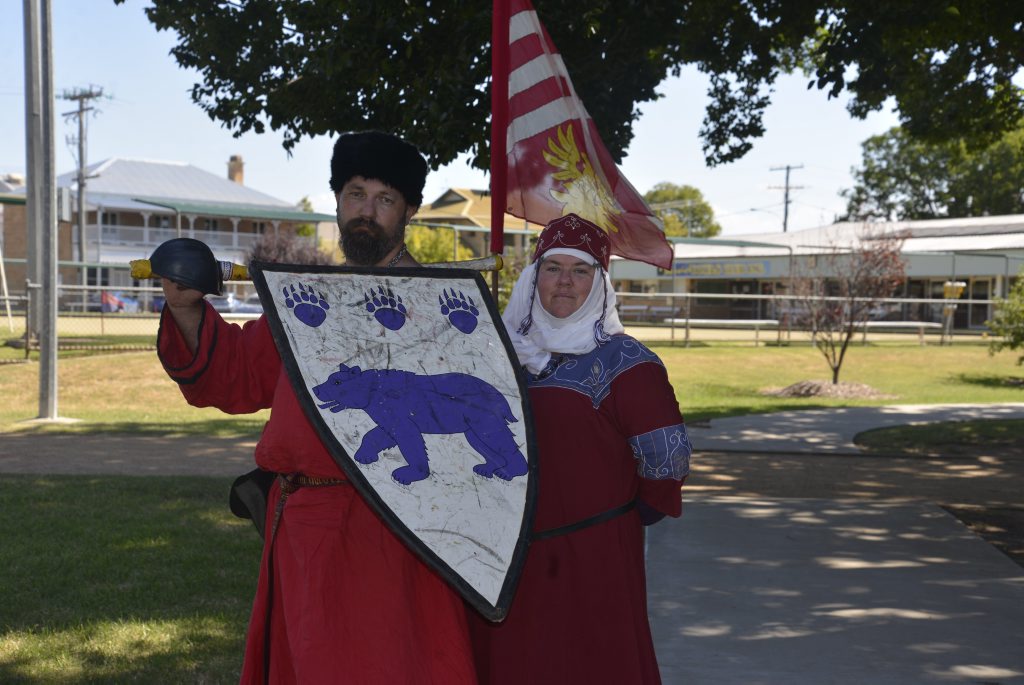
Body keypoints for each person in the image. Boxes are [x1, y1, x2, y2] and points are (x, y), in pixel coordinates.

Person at [155, 131, 477, 684]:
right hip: (308, 526)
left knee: (396, 665)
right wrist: (186, 308)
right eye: (355, 194)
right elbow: (235, 376)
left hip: (401, 524)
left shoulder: (443, 303)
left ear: (409, 213)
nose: (366, 212)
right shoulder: (305, 300)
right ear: (336, 201)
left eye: (384, 199)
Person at [466, 213, 692, 684]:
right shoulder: (494, 354)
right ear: (533, 278)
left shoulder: (626, 363)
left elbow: (667, 456)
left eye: (580, 270)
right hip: (503, 558)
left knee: (590, 663)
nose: (564, 282)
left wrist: (626, 514)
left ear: (600, 282)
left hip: (594, 560)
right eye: (552, 268)